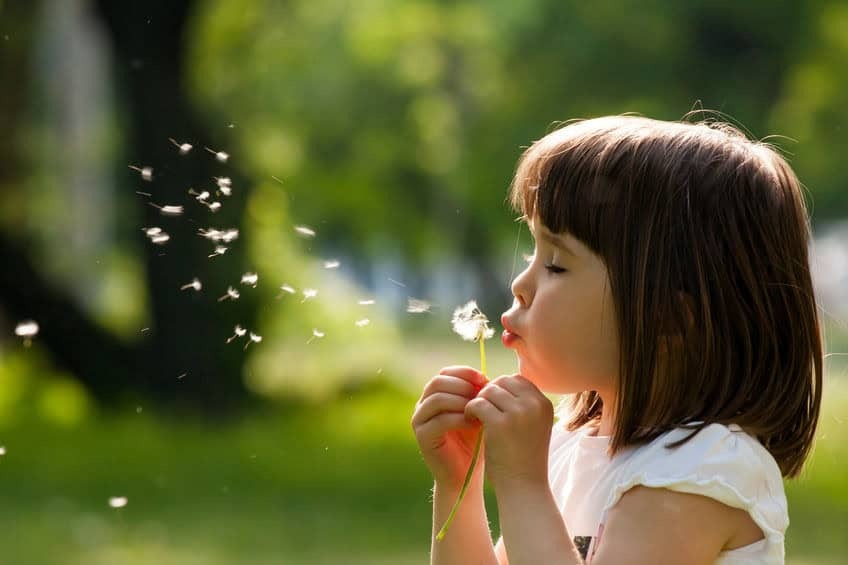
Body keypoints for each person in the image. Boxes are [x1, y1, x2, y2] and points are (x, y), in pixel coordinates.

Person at [411, 115, 822, 564]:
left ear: (668, 319)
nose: (519, 284)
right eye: (533, 252)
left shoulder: (698, 472)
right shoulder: (572, 448)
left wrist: (522, 484)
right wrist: (459, 487)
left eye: (556, 264)